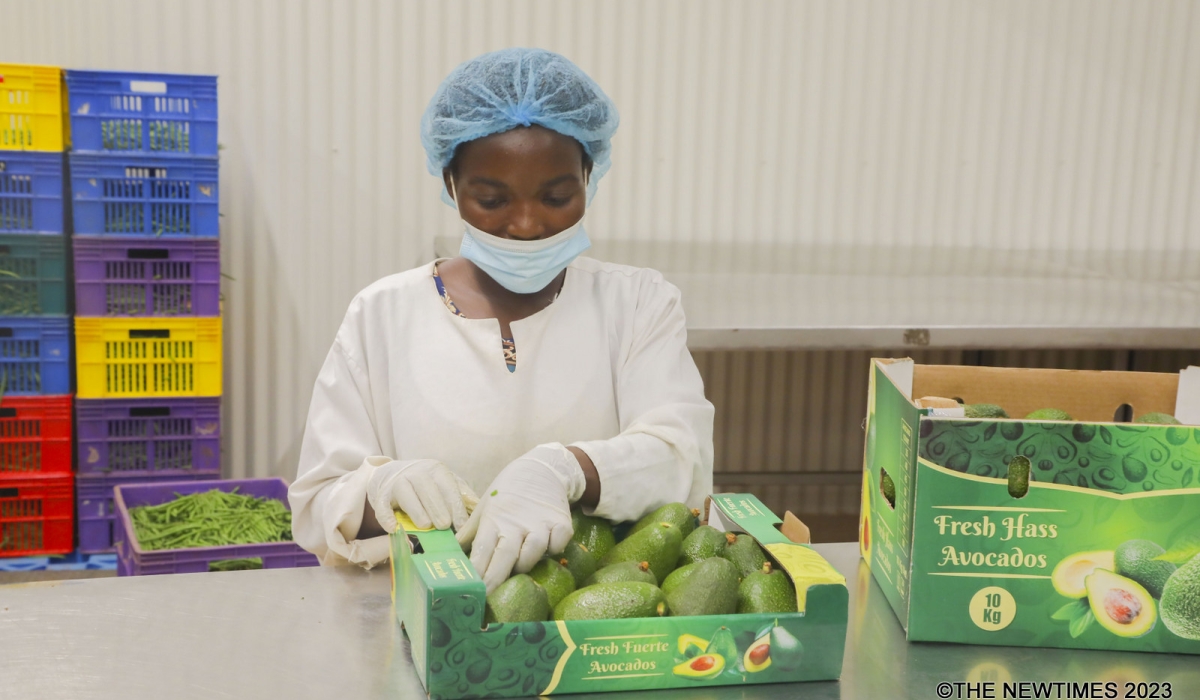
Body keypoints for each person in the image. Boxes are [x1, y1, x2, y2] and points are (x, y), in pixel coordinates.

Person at [288, 47, 714, 592]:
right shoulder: (383, 315)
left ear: (590, 175)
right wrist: (382, 489)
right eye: (491, 199)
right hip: (421, 619)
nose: (526, 224)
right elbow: (319, 504)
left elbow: (683, 459)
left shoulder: (637, 304)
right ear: (450, 185)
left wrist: (563, 470)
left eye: (558, 196)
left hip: (592, 621)